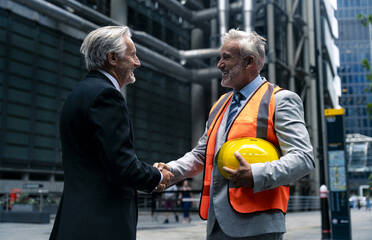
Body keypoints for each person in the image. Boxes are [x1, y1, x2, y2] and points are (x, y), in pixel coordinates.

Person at [155, 29, 314, 239]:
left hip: (258, 225)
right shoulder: (220, 105)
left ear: (249, 62)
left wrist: (257, 175)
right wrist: (169, 170)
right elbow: (200, 154)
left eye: (226, 58)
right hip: (216, 224)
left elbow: (304, 158)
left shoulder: (281, 100)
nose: (219, 64)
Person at [49, 26, 172, 240]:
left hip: (76, 220)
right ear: (113, 58)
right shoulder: (107, 96)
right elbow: (121, 166)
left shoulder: (79, 93)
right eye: (132, 54)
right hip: (101, 224)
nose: (138, 62)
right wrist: (159, 175)